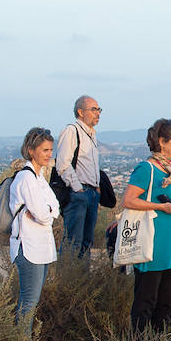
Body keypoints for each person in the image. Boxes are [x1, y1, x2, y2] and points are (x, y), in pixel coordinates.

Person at [125, 119, 171, 333]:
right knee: (146, 300)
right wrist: (159, 206)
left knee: (166, 303)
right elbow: (128, 200)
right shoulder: (147, 169)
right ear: (162, 142)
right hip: (152, 243)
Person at [9, 128, 60, 328]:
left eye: (50, 150)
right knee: (28, 302)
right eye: (45, 150)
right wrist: (45, 213)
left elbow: (54, 208)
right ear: (31, 150)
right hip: (28, 247)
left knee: (32, 301)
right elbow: (43, 214)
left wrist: (45, 213)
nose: (49, 154)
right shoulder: (26, 178)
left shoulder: (38, 178)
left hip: (40, 247)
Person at [57, 94, 103, 255]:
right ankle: (68, 278)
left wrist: (96, 188)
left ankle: (83, 278)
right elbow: (62, 163)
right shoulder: (72, 131)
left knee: (86, 241)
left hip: (91, 193)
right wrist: (78, 188)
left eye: (99, 110)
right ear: (81, 112)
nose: (98, 113)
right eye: (93, 109)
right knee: (73, 241)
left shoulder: (91, 134)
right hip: (78, 193)